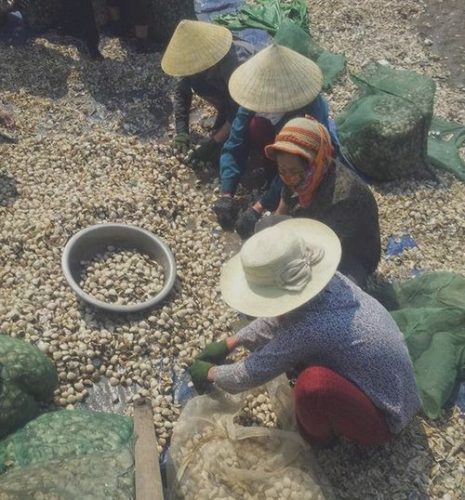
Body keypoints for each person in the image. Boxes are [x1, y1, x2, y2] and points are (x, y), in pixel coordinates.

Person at [189, 219, 420, 447]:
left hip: (386, 416)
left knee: (313, 385)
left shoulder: (309, 328)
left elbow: (253, 372)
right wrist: (233, 341)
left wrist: (211, 373)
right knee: (298, 353)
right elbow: (278, 318)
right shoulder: (334, 281)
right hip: (397, 389)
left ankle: (321, 442)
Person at [212, 44, 340, 234]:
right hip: (276, 140)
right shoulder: (253, 99)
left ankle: (277, 180)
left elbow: (295, 165)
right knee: (255, 126)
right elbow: (235, 143)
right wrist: (226, 192)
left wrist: (259, 207)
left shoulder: (308, 107)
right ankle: (272, 169)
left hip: (306, 153)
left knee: (302, 180)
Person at [259, 116, 381, 288]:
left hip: (349, 252)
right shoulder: (295, 176)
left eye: (293, 171)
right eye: (282, 170)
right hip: (312, 229)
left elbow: (322, 249)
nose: (287, 177)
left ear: (314, 164)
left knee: (332, 290)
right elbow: (283, 208)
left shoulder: (345, 195)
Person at [161, 20, 256, 160]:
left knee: (251, 128)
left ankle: (232, 124)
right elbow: (182, 92)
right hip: (225, 89)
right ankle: (224, 113)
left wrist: (215, 142)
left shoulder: (235, 62)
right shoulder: (192, 60)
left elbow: (241, 107)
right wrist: (181, 131)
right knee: (198, 82)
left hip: (255, 95)